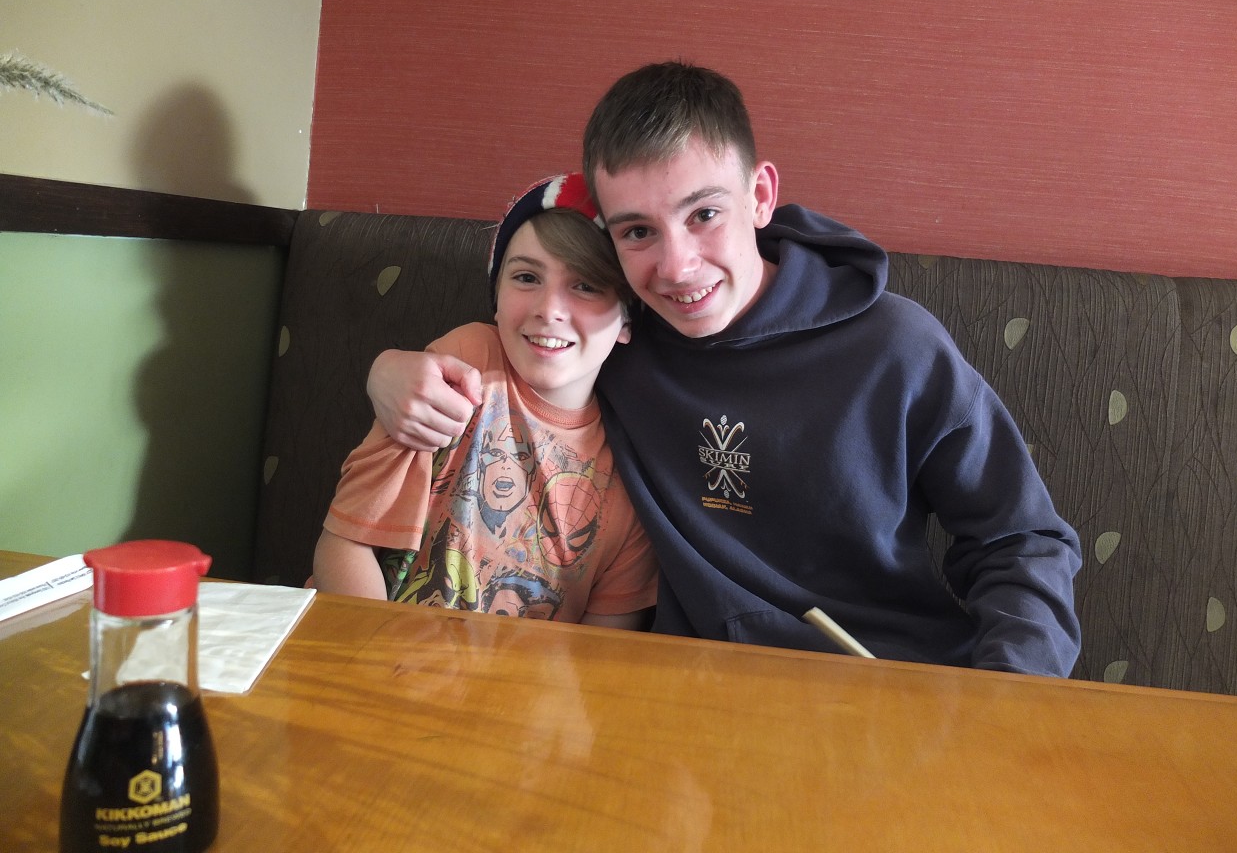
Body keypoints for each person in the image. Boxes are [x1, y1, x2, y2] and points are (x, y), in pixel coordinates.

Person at [366, 62, 1083, 674]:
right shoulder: (614, 340)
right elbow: (514, 340)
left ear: (760, 195)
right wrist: (388, 371)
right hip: (690, 698)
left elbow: (1021, 539)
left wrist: (1009, 688)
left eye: (703, 214)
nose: (677, 267)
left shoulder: (898, 347)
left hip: (886, 686)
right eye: (638, 232)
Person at [313, 173, 658, 630]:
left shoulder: (633, 477)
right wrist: (376, 660)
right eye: (527, 277)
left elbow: (602, 649)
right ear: (496, 298)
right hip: (360, 642)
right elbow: (344, 546)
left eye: (587, 285)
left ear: (627, 320)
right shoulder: (463, 366)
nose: (549, 309)